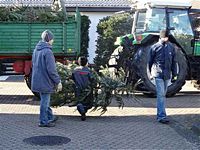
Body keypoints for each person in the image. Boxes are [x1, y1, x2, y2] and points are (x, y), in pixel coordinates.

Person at [31, 30, 62, 127]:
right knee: (45, 102)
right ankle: (43, 121)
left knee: (45, 100)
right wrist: (58, 81)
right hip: (45, 81)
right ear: (49, 39)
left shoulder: (36, 49)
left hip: (37, 79)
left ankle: (50, 116)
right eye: (52, 39)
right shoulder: (48, 51)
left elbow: (33, 64)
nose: (53, 41)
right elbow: (52, 70)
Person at [148, 30, 177, 124]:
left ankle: (160, 114)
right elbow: (150, 62)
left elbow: (173, 62)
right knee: (161, 95)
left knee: (163, 95)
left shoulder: (171, 47)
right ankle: (161, 116)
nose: (166, 39)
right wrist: (150, 74)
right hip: (158, 74)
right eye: (164, 37)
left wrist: (175, 75)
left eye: (167, 37)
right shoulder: (154, 47)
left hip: (167, 75)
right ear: (160, 37)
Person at [72, 56, 93, 121]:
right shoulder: (88, 71)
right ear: (86, 62)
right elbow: (92, 79)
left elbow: (72, 78)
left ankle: (81, 109)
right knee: (88, 103)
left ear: (79, 62)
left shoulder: (75, 70)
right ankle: (83, 110)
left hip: (78, 89)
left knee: (79, 101)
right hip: (86, 89)